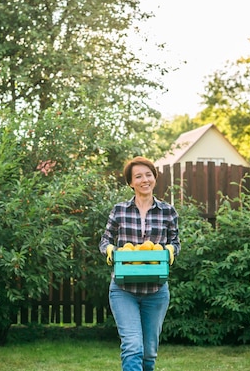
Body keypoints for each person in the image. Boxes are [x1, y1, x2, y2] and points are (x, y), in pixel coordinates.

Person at [99, 156, 180, 371]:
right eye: (138, 176)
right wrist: (109, 250)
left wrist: (171, 250)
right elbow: (105, 240)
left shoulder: (168, 212)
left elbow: (175, 242)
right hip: (123, 289)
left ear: (154, 178)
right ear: (130, 183)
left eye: (148, 174)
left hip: (156, 290)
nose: (145, 179)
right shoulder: (119, 210)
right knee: (133, 346)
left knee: (149, 352)